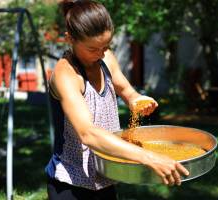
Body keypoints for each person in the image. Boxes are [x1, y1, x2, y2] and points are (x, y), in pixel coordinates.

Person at [45, 0, 189, 199]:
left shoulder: (106, 57)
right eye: (92, 49)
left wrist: (137, 100)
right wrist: (149, 157)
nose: (100, 54)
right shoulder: (66, 74)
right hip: (70, 184)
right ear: (70, 39)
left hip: (106, 175)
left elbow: (128, 92)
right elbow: (88, 134)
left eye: (106, 46)